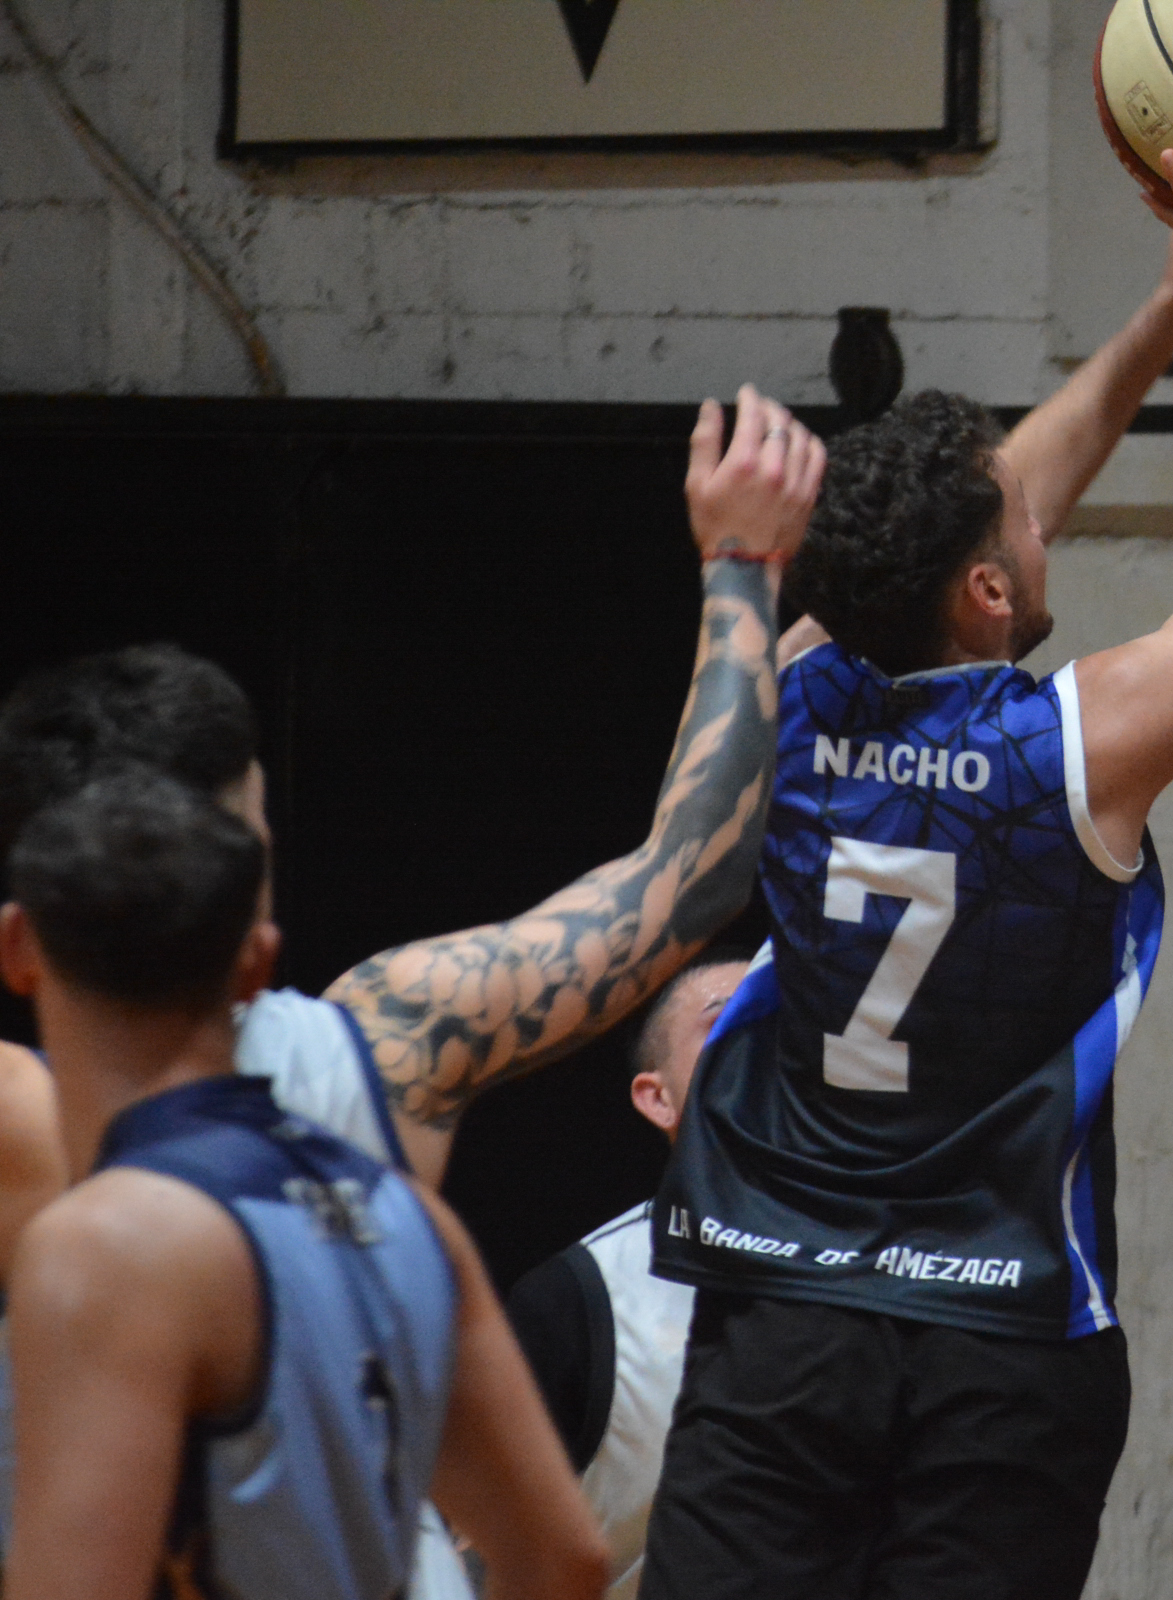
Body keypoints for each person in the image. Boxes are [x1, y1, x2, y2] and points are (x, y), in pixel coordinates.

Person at [644, 132, 1173, 1600]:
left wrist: (1165, 312)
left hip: (785, 1303)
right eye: (1024, 525)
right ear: (987, 589)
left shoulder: (789, 690)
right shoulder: (1075, 752)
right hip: (1002, 1330)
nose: (1045, 515)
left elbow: (946, 526)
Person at [0, 386, 823, 1591]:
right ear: (257, 935)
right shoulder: (392, 1103)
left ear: (22, 940)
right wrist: (744, 566)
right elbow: (684, 881)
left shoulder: (61, 1175)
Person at [0, 771, 608, 1600]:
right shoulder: (410, 1215)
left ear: (18, 948)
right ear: (257, 962)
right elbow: (566, 1557)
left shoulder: (108, 1240)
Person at [505, 952, 750, 1600]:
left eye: (789, 1018)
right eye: (728, 1019)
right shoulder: (572, 1301)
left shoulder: (913, 1275)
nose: (768, 1036)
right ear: (658, 1097)